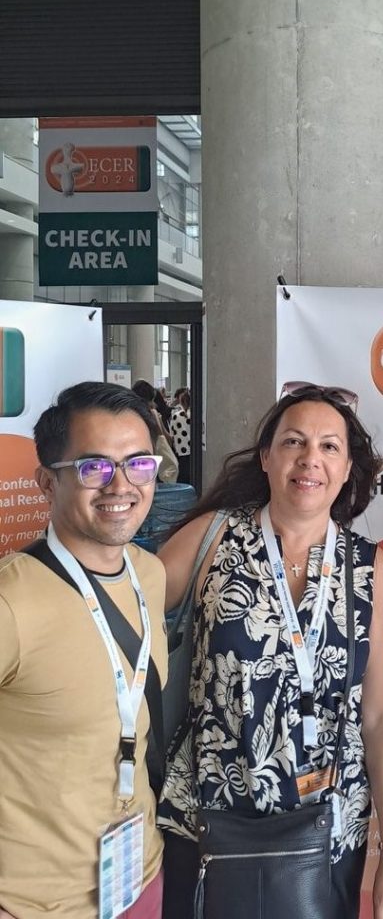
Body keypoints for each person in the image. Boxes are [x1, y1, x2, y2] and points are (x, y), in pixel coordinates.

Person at [157, 381, 383, 919]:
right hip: (207, 820)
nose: (310, 459)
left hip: (325, 830)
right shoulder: (212, 539)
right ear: (267, 457)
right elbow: (125, 612)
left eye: (329, 447)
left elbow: (382, 715)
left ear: (347, 471)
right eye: (294, 442)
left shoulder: (367, 568)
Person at [0, 381, 168, 918]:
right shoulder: (13, 601)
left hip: (139, 879)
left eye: (138, 464)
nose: (120, 485)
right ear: (46, 482)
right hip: (35, 905)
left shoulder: (150, 574)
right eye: (93, 467)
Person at [132, 380, 179, 484]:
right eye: (152, 400)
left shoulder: (129, 416)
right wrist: (158, 420)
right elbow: (166, 440)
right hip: (153, 464)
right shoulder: (151, 415)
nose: (154, 404)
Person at [169, 387, 191, 485]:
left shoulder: (176, 416)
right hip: (193, 451)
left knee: (182, 478)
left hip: (181, 452)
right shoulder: (196, 415)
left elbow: (172, 434)